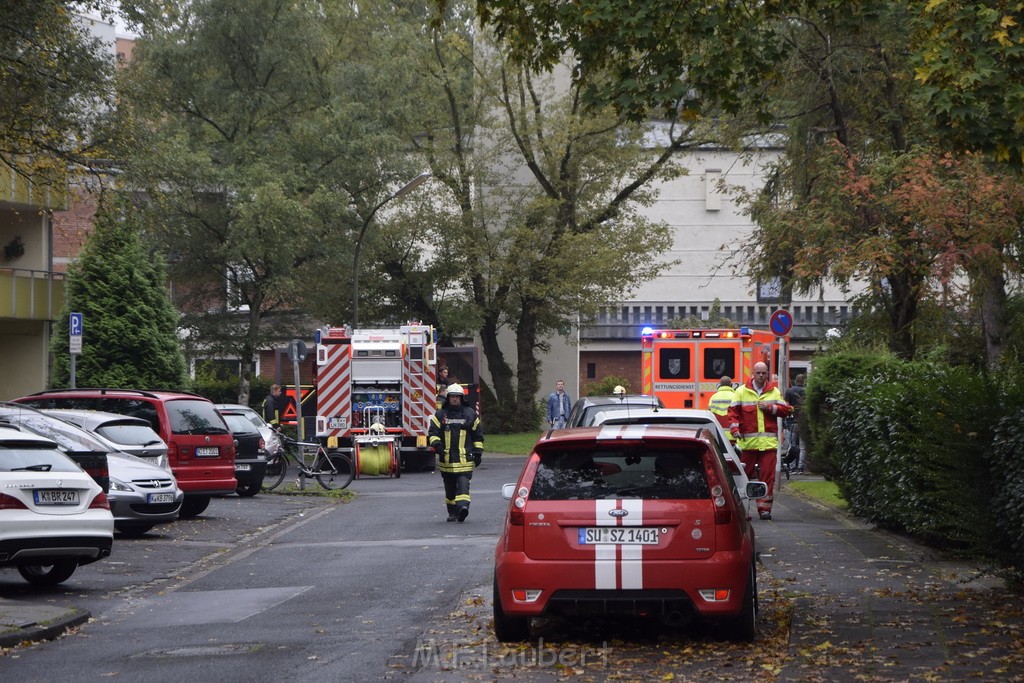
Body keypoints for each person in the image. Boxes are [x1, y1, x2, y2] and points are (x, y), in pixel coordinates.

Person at [728, 362, 792, 520]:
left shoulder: (774, 391)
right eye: (758, 373)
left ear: (767, 373)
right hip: (747, 445)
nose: (761, 376)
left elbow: (786, 410)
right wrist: (735, 430)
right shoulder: (741, 391)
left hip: (768, 445)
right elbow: (733, 412)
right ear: (753, 374)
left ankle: (764, 510)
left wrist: (770, 408)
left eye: (764, 373)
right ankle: (741, 508)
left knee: (767, 477)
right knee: (744, 477)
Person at [428, 383, 484, 523]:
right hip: (446, 460)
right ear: (448, 398)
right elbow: (433, 433)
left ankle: (463, 507)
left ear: (461, 398)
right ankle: (453, 512)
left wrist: (478, 452)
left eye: (457, 397)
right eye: (452, 396)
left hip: (464, 460)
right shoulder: (440, 414)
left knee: (463, 484)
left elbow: (478, 435)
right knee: (450, 489)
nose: (454, 399)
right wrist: (437, 445)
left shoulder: (470, 414)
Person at [784, 373, 807, 474]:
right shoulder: (806, 391)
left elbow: (786, 405)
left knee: (792, 445)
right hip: (802, 422)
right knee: (802, 446)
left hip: (792, 421)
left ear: (795, 380)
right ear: (803, 381)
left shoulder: (789, 391)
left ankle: (792, 467)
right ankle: (801, 467)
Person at [707, 376, 737, 444]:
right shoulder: (735, 396)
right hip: (733, 435)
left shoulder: (714, 397)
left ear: (720, 385)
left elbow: (709, 413)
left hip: (718, 435)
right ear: (731, 385)